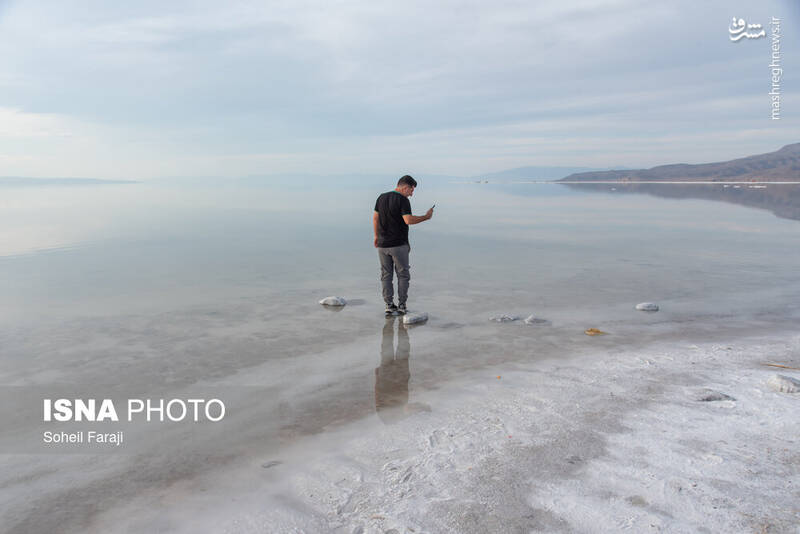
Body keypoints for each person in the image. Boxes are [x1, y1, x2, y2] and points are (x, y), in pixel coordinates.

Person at [373, 175, 433, 315]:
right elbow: (408, 220)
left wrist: (376, 236)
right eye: (412, 191)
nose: (411, 194)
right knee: (403, 275)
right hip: (398, 245)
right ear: (406, 187)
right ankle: (401, 305)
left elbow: (375, 218)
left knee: (386, 274)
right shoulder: (403, 200)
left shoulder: (381, 197)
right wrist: (426, 216)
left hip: (382, 244)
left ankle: (388, 305)